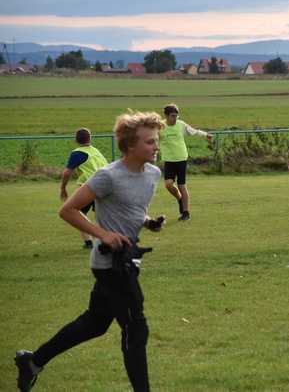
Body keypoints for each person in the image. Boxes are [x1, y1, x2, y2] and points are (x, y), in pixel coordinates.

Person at [15, 111, 165, 392]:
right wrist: (103, 234)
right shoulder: (107, 176)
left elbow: (132, 210)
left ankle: (32, 362)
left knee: (95, 323)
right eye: (149, 142)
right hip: (109, 264)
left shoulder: (153, 174)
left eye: (156, 140)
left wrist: (148, 222)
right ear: (130, 145)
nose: (155, 146)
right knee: (136, 328)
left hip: (127, 259)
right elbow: (67, 210)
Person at [159, 103, 212, 221]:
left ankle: (186, 213)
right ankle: (179, 199)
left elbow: (193, 131)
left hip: (181, 158)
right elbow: (151, 137)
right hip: (169, 160)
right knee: (168, 184)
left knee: (181, 185)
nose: (175, 118)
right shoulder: (160, 126)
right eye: (172, 116)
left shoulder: (181, 125)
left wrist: (206, 135)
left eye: (176, 116)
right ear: (166, 116)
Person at [60, 128, 109, 249]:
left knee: (76, 213)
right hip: (106, 185)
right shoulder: (95, 151)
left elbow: (67, 173)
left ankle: (89, 243)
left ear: (76, 140)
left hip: (90, 186)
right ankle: (106, 240)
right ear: (90, 138)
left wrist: (63, 188)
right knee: (103, 216)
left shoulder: (77, 153)